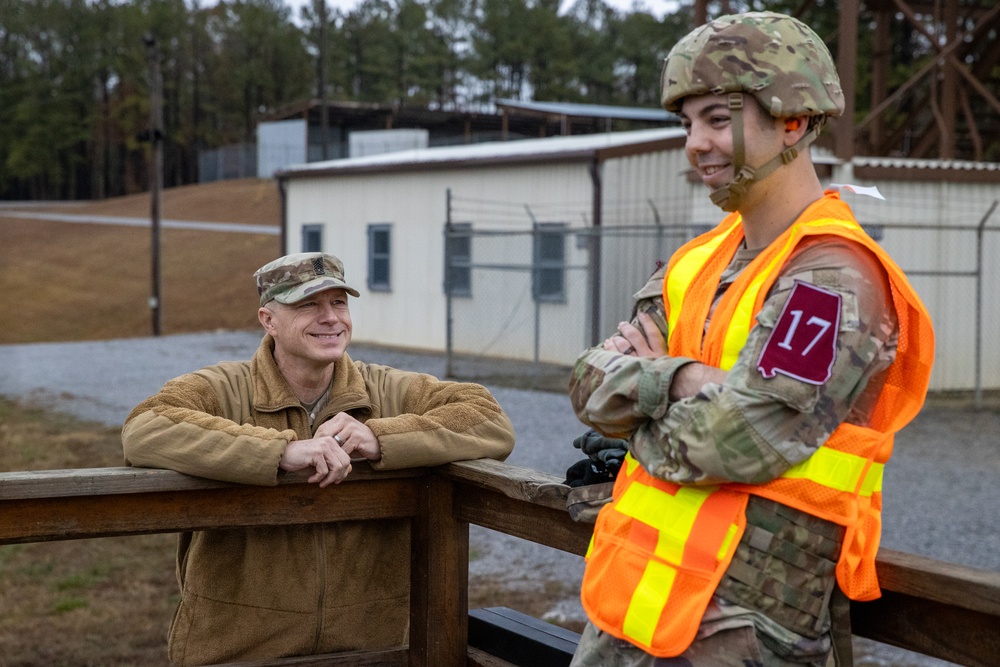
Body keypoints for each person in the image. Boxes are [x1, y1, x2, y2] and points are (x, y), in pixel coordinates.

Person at [567, 12, 934, 667]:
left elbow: (737, 439)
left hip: (742, 640)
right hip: (627, 618)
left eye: (715, 118)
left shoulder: (831, 280)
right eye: (686, 124)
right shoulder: (698, 262)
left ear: (792, 121)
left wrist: (641, 412)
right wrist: (683, 380)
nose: (694, 143)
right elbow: (586, 383)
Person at [122, 251, 515, 665]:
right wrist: (278, 450)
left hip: (373, 650)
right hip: (238, 650)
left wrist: (380, 435)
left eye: (339, 303)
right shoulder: (224, 387)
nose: (331, 318)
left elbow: (488, 418)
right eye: (308, 304)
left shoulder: (383, 389)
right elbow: (145, 426)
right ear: (268, 320)